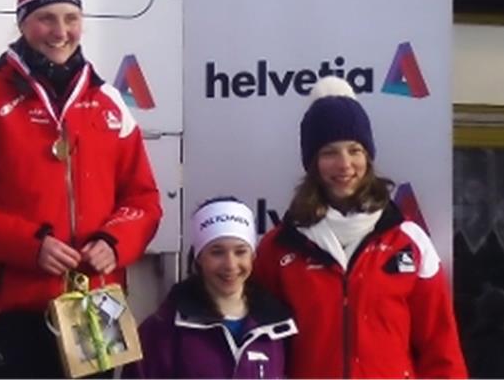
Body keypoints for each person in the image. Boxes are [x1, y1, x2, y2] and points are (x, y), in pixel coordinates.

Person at [0, 0, 163, 379]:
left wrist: (115, 241)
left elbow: (143, 200)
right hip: (17, 308)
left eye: (71, 19)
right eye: (46, 19)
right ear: (23, 24)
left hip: (97, 302)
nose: (60, 31)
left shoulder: (108, 100)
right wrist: (29, 245)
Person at [252, 76, 467, 378]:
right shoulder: (280, 247)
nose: (344, 164)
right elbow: (260, 352)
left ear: (368, 156)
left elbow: (440, 348)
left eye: (355, 150)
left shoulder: (408, 242)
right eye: (329, 153)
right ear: (312, 163)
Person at [130, 197, 297, 378]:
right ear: (199, 257)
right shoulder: (162, 329)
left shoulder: (279, 327)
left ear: (253, 256)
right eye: (217, 252)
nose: (230, 265)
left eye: (240, 251)